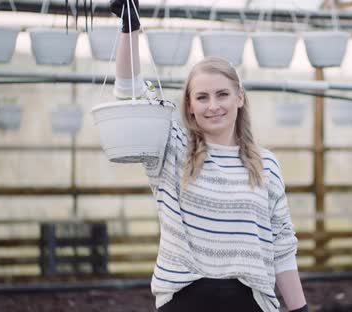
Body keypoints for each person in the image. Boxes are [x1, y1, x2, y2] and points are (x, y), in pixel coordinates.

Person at [110, 1, 308, 311]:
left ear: (239, 98)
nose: (213, 105)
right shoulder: (171, 148)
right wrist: (130, 27)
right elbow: (129, 90)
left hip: (249, 303)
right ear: (189, 105)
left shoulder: (266, 164)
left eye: (222, 94)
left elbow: (282, 246)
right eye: (202, 97)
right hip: (184, 302)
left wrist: (300, 309)